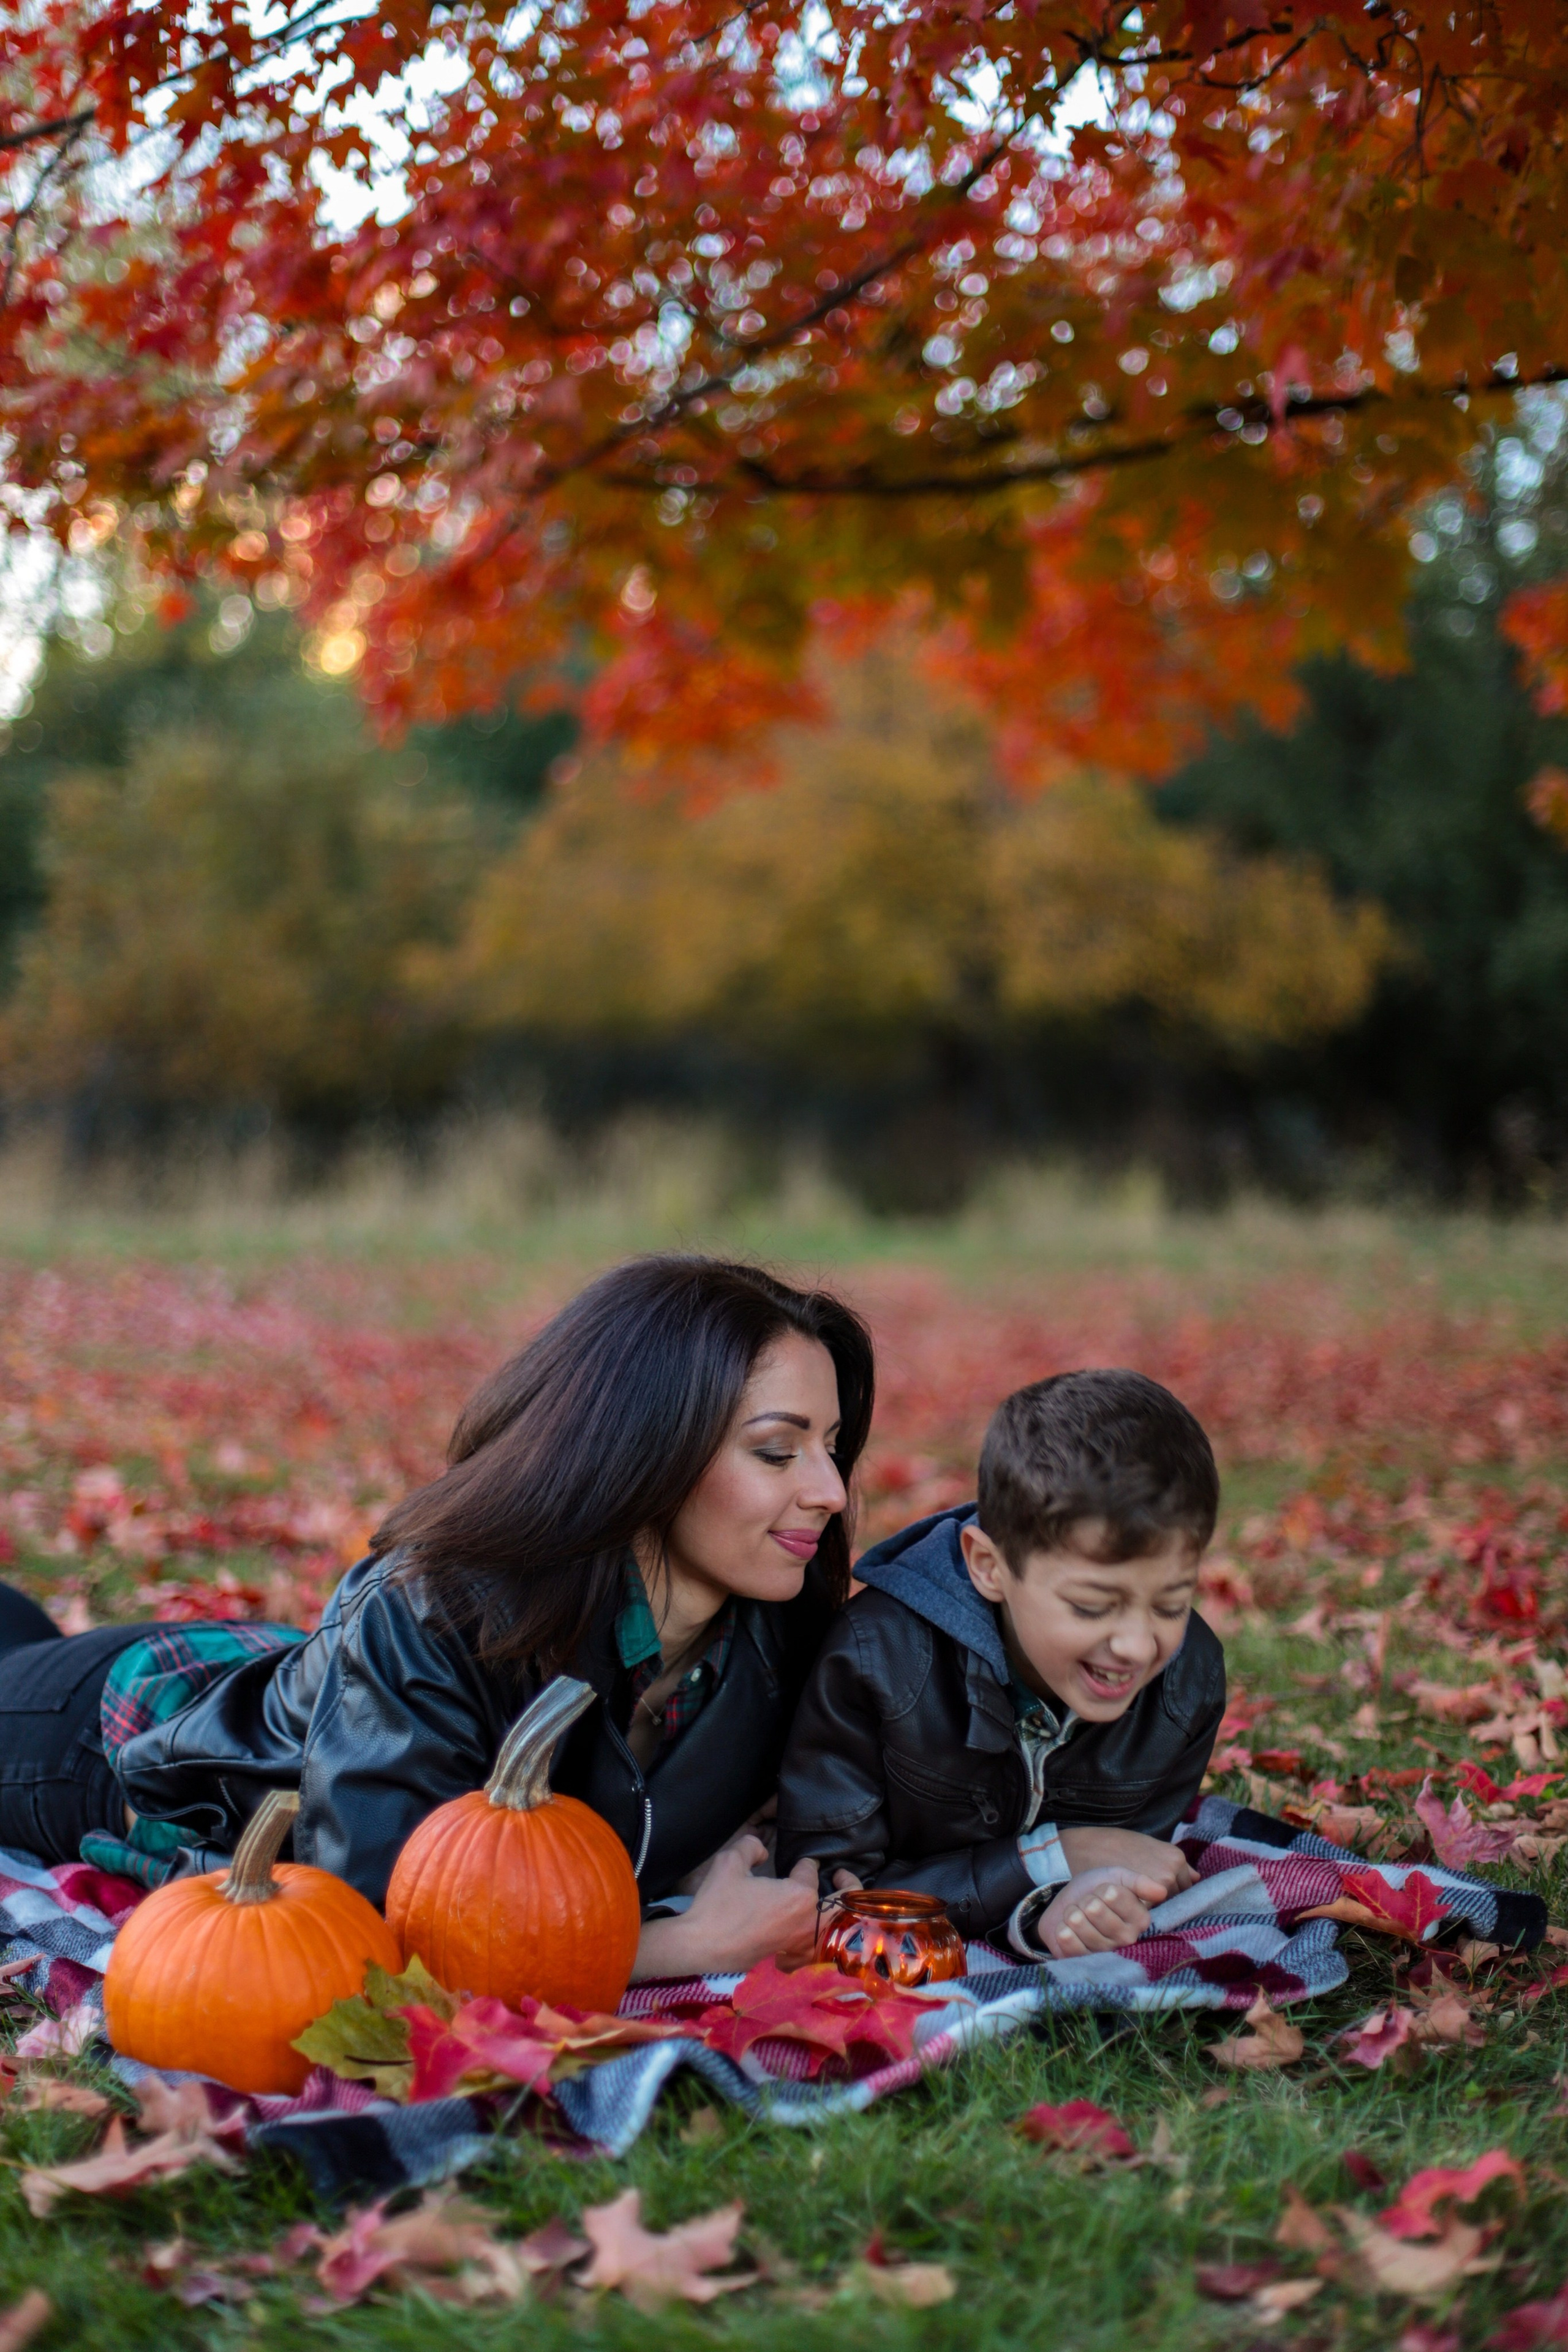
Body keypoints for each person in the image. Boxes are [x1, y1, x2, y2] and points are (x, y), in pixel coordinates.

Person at [0, 1255, 875, 1981]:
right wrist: (684, 1948)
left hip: (309, 1680)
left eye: (831, 1448)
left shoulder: (776, 1631)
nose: (829, 1492)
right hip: (108, 1733)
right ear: (648, 1449)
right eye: (776, 1451)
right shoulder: (436, 1611)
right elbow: (382, 1938)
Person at [775, 1367, 1225, 1959]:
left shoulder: (1187, 1681)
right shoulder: (876, 1658)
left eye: (1170, 1604)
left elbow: (1130, 1866)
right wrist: (1047, 1860)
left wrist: (1065, 1905)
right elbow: (832, 1899)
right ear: (989, 1566)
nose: (1138, 1646)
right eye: (1093, 1606)